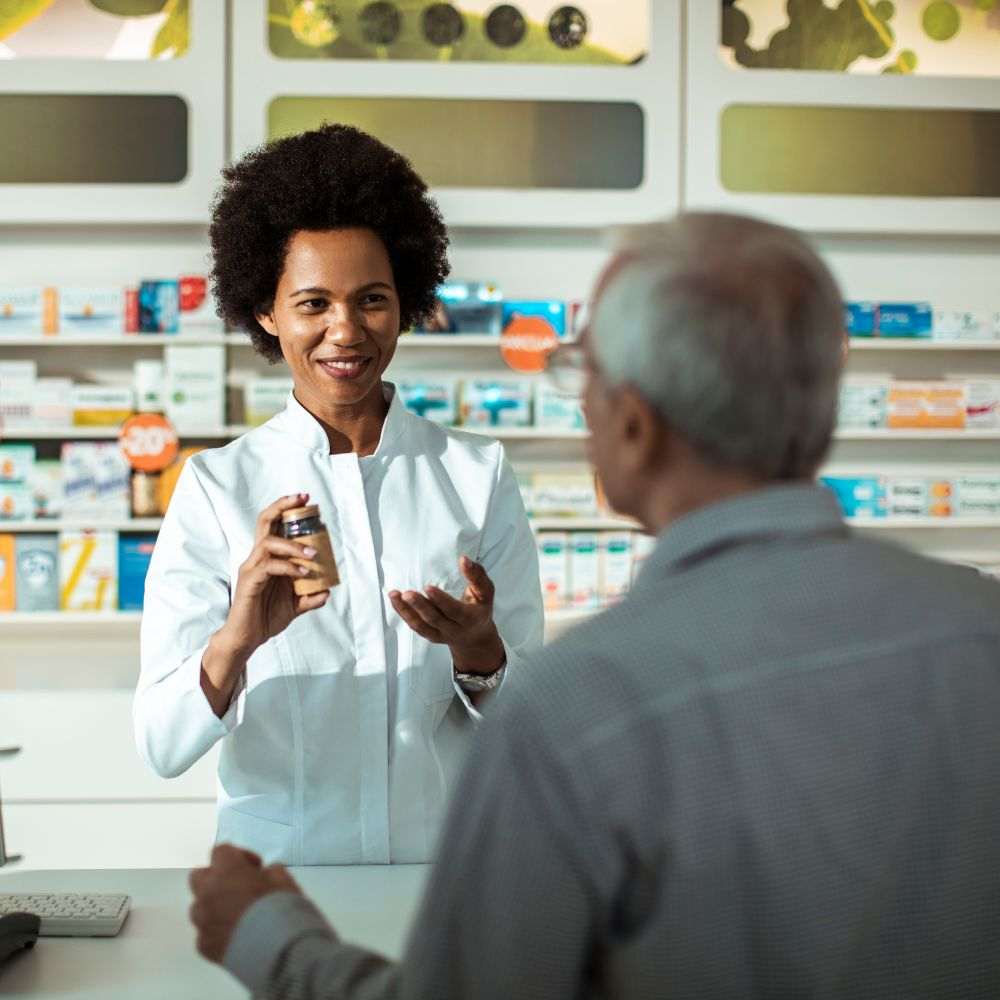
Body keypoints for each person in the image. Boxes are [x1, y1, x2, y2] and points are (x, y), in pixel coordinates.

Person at [188, 212, 1000, 997]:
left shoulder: (583, 706)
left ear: (634, 425)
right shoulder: (979, 628)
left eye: (588, 378)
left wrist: (271, 940)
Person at [134, 124, 543, 866]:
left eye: (372, 299)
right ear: (266, 310)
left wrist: (482, 655)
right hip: (277, 885)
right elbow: (162, 743)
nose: (345, 331)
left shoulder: (475, 475)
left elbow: (534, 737)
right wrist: (237, 640)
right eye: (313, 303)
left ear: (407, 302)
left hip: (442, 874)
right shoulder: (216, 488)